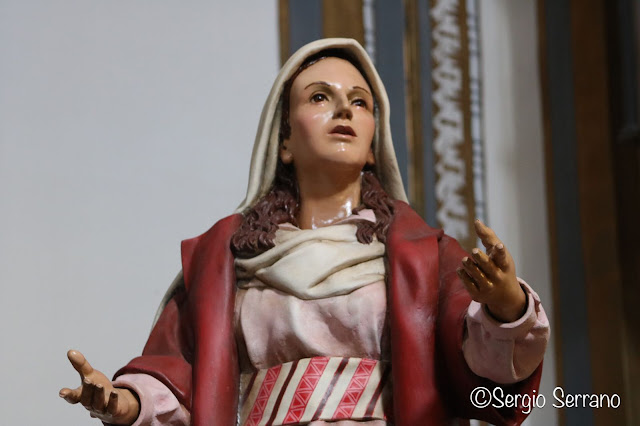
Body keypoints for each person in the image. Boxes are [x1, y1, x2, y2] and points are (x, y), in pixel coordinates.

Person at [59, 38, 549, 426]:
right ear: (285, 141)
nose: (344, 111)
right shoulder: (229, 259)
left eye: (359, 102)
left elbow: (483, 372)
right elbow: (179, 375)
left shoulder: (422, 254)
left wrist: (506, 309)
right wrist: (125, 402)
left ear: (373, 145)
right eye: (320, 97)